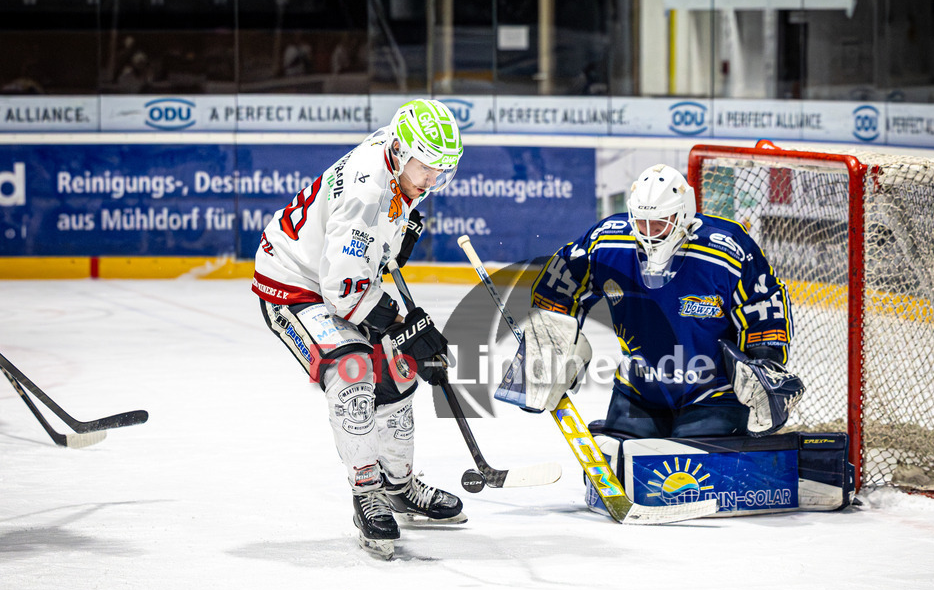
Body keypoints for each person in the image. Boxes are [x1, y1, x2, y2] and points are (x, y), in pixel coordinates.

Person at [252, 99, 466, 559]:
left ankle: (399, 487)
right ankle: (367, 491)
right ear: (402, 150)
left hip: (335, 275)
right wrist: (405, 325)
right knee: (352, 372)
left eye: (441, 170)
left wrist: (396, 234)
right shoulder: (366, 195)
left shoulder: (396, 154)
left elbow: (364, 253)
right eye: (427, 168)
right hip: (293, 283)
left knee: (400, 369)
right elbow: (343, 291)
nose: (432, 180)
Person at [519, 163, 804, 440]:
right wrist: (548, 341)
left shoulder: (727, 247)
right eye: (641, 222)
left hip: (715, 395)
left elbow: (764, 302)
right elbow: (559, 282)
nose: (648, 232)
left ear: (683, 214)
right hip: (638, 390)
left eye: (659, 223)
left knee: (690, 466)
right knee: (623, 462)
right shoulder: (607, 242)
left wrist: (765, 361)